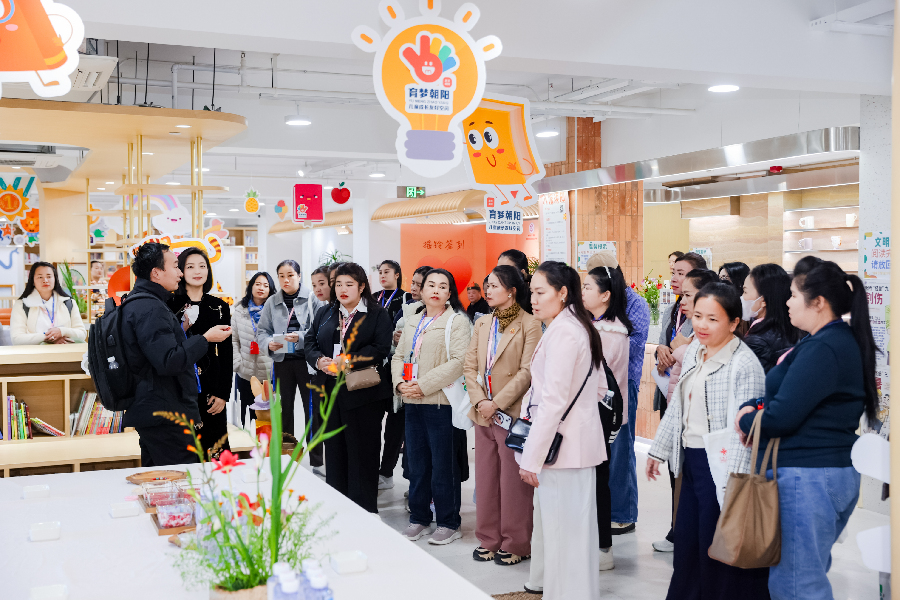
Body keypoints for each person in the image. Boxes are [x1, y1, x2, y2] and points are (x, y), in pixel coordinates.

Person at [735, 260, 875, 600]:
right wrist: (757, 405)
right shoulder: (827, 341)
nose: (787, 302)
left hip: (809, 476)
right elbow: (791, 397)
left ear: (819, 302)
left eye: (794, 295)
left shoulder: (825, 347)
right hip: (819, 473)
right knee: (801, 578)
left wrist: (745, 419)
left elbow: (782, 416)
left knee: (797, 586)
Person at [647, 282, 769, 600]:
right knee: (687, 546)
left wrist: (734, 487)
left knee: (717, 550)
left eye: (712, 319)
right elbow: (678, 407)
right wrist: (657, 451)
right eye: (698, 316)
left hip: (723, 467)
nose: (701, 325)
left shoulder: (744, 364)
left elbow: (747, 433)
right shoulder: (694, 354)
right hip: (691, 461)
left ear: (733, 323)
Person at [517, 261, 606, 600]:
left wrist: (531, 457)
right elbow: (594, 392)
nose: (533, 299)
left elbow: (552, 401)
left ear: (563, 293)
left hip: (565, 450)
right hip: (575, 447)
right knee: (570, 536)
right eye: (532, 292)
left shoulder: (566, 332)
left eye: (540, 292)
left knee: (565, 537)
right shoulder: (572, 326)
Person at [121, 243, 231, 466]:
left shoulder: (147, 302)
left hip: (172, 401)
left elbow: (226, 355)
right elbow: (168, 360)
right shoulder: (154, 307)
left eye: (202, 266)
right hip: (165, 407)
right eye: (178, 266)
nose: (182, 272)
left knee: (162, 477)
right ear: (156, 272)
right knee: (185, 477)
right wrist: (205, 338)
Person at [464, 265, 541, 565]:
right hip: (482, 412)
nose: (488, 290)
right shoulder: (483, 322)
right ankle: (489, 538)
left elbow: (528, 371)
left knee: (512, 483)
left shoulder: (530, 324)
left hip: (511, 412)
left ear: (511, 290)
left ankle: (517, 542)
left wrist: (495, 402)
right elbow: (470, 366)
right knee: (485, 479)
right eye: (487, 285)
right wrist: (481, 401)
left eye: (494, 285)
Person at [392, 268, 472, 545]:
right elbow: (399, 356)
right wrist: (401, 385)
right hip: (412, 401)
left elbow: (459, 361)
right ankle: (419, 518)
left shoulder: (456, 321)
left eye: (443, 286)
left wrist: (423, 384)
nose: (436, 290)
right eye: (431, 285)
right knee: (417, 464)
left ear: (450, 293)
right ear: (422, 291)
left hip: (440, 403)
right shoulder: (412, 320)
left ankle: (449, 522)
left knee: (443, 465)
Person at [305, 262, 393, 512]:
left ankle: (364, 509)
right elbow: (310, 340)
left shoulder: (377, 313)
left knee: (362, 453)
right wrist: (318, 360)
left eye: (349, 285)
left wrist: (348, 360)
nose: (342, 289)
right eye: (338, 284)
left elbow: (381, 348)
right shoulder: (327, 312)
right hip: (330, 393)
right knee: (335, 452)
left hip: (362, 393)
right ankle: (339, 508)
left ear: (362, 286)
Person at [585, 251, 650, 538]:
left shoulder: (634, 303)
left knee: (621, 449)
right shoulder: (588, 306)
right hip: (592, 389)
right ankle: (601, 510)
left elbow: (633, 347)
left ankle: (623, 514)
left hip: (624, 385)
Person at [651, 251, 707, 549]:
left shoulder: (706, 328)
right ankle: (678, 529)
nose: (674, 278)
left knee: (689, 476)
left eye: (681, 273)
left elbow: (681, 351)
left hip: (693, 418)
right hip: (668, 394)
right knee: (676, 470)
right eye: (672, 272)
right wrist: (662, 349)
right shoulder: (673, 309)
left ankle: (683, 531)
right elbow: (666, 343)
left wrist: (672, 351)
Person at [583, 264, 632, 571]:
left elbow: (597, 381)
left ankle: (603, 549)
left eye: (587, 287)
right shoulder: (592, 324)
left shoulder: (612, 331)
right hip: (589, 414)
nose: (581, 292)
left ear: (605, 296)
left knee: (599, 481)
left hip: (599, 416)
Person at [257, 260, 324, 472]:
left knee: (311, 410)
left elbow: (321, 330)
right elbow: (261, 331)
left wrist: (300, 338)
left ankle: (316, 460)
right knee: (283, 410)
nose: (286, 280)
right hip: (282, 362)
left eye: (290, 275)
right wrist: (269, 343)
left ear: (299, 276)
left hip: (307, 363)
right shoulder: (271, 302)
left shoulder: (312, 298)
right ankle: (288, 455)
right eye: (281, 276)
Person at [167, 248, 233, 459]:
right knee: (185, 454)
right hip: (180, 388)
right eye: (190, 266)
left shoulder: (219, 307)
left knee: (216, 455)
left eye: (202, 266)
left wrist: (223, 393)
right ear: (181, 271)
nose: (198, 271)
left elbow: (226, 354)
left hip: (212, 390)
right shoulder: (170, 304)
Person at [390, 265, 433, 487]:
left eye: (419, 283)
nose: (414, 288)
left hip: (432, 388)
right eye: (413, 282)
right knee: (411, 440)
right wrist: (395, 339)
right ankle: (413, 485)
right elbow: (393, 347)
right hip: (407, 383)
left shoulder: (446, 315)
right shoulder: (407, 310)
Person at [376, 259, 407, 490]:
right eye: (379, 272)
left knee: (395, 426)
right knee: (373, 422)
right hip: (377, 367)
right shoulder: (373, 297)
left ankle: (387, 472)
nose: (382, 275)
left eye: (387, 271)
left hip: (397, 368)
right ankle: (373, 468)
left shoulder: (405, 299)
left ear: (397, 274)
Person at [232, 271, 276, 427]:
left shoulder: (276, 312)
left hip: (268, 374)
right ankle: (246, 450)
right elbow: (234, 340)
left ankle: (265, 451)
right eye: (257, 284)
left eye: (266, 285)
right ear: (251, 286)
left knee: (266, 419)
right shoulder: (239, 311)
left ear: (270, 289)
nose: (261, 288)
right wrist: (238, 363)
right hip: (245, 373)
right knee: (245, 418)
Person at [740, 263, 799, 373]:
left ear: (763, 301)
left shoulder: (757, 340)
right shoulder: (793, 327)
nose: (742, 297)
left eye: (745, 291)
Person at [11, 262, 86, 345]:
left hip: (66, 354)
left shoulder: (69, 302)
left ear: (55, 279)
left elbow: (82, 334)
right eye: (40, 277)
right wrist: (49, 338)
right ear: (32, 281)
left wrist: (61, 331)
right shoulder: (22, 305)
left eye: (49, 276)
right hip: (35, 355)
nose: (45, 280)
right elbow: (16, 338)